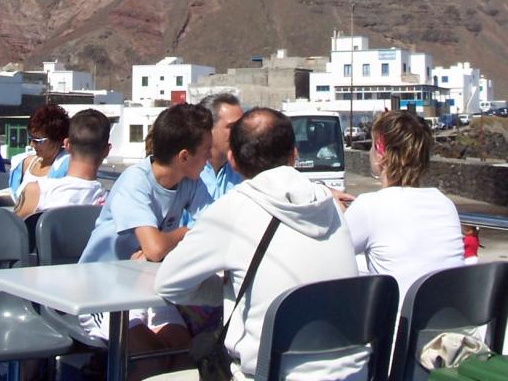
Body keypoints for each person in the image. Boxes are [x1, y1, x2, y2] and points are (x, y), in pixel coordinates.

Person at [156, 107, 364, 381]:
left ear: (233, 160)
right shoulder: (331, 205)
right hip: (354, 374)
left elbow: (168, 283)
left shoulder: (232, 210)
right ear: (294, 154)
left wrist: (226, 289)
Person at [78, 102, 214, 377]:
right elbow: (154, 248)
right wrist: (184, 233)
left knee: (183, 357)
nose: (210, 157)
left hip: (149, 287)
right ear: (184, 156)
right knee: (150, 360)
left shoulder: (190, 181)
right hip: (102, 291)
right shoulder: (134, 182)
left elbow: (214, 229)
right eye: (206, 151)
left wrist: (170, 242)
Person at [344, 110, 463, 308]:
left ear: (380, 150)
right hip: (449, 329)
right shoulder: (445, 204)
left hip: (403, 333)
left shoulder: (369, 206)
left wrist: (330, 209)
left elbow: (331, 256)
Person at [14, 108, 110, 216]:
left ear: (67, 144)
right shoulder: (111, 205)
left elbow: (11, 230)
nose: (32, 144)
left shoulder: (35, 191)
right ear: (107, 150)